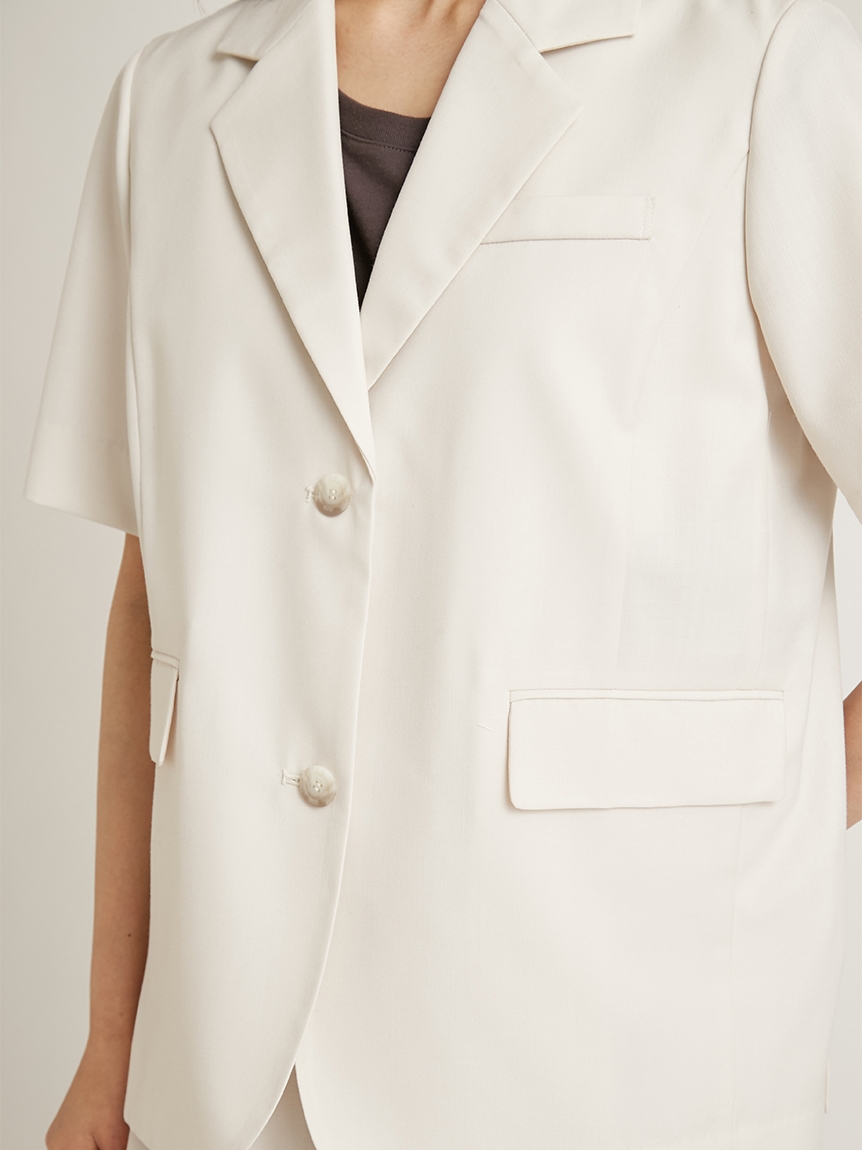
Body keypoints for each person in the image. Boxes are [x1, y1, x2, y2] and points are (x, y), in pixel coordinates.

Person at [26, 0, 861, 1145]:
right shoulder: (165, 101)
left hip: (619, 1048)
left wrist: (799, 799)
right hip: (243, 1071)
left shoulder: (762, 60)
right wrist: (109, 1050)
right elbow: (157, 590)